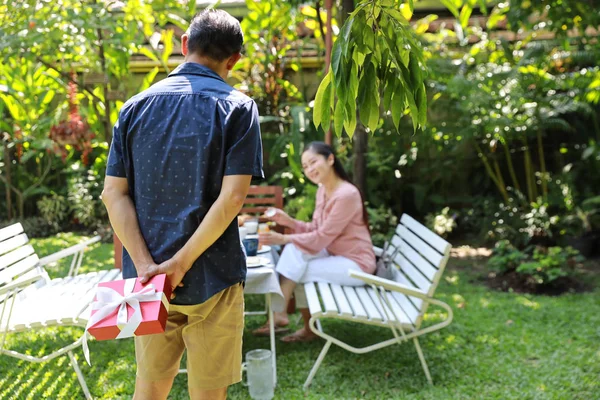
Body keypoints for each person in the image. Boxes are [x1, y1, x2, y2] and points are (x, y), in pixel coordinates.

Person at [101, 9, 263, 400]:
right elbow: (233, 198)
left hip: (147, 283)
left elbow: (113, 194)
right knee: (208, 394)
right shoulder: (239, 108)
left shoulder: (133, 108)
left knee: (149, 390)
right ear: (234, 60)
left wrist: (146, 266)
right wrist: (181, 265)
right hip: (214, 278)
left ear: (184, 45)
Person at [255, 141, 376, 342]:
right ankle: (285, 317)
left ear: (330, 159)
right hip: (335, 254)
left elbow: (321, 238)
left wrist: (283, 237)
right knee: (295, 251)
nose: (310, 169)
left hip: (356, 264)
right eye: (305, 166)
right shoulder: (323, 190)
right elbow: (317, 229)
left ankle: (282, 316)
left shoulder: (346, 195)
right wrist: (290, 222)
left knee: (298, 268)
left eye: (313, 162)